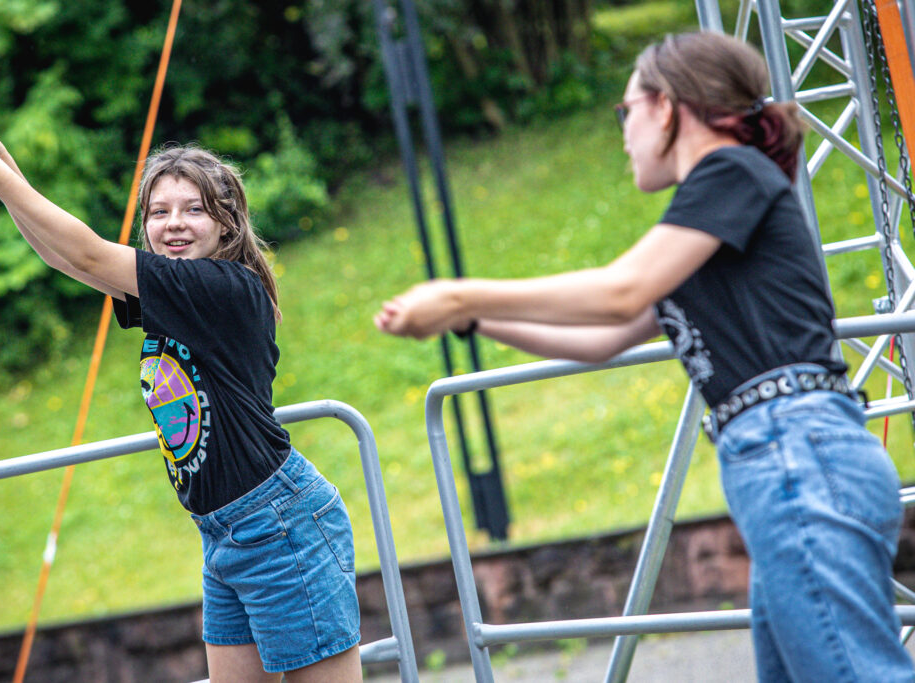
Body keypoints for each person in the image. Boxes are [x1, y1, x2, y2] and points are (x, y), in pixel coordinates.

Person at [375, 32, 914, 682]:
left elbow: (618, 291)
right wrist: (469, 318)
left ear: (667, 106)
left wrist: (456, 291)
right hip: (786, 459)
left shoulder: (730, 171)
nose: (623, 130)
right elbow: (605, 335)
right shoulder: (705, 220)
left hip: (797, 454)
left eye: (625, 110)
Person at [0, 118, 361, 683]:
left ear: (227, 222)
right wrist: (0, 169)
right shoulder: (178, 291)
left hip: (279, 524)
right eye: (159, 212)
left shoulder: (221, 289)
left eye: (194, 209)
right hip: (222, 531)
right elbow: (66, 260)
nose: (175, 224)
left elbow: (90, 256)